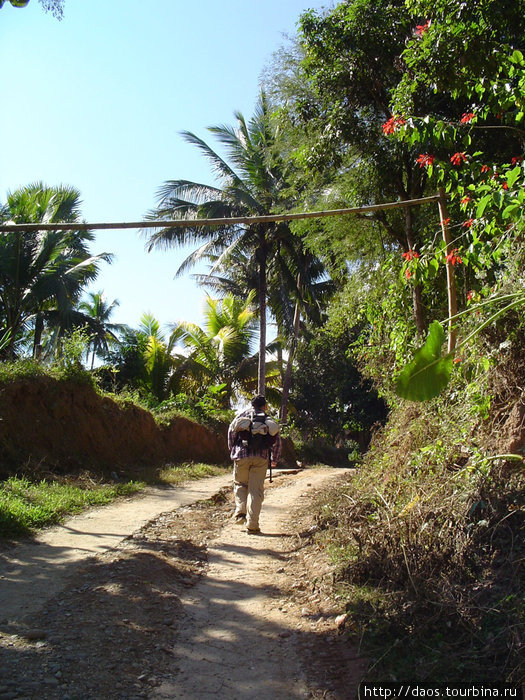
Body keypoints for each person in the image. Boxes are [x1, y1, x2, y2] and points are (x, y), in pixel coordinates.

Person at [227, 394, 281, 534]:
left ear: (252, 405)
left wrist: (233, 450)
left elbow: (231, 433)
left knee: (240, 484)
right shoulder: (268, 419)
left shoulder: (242, 416)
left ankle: (240, 512)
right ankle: (252, 524)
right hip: (261, 457)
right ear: (264, 406)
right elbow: (277, 441)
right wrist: (274, 459)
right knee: (255, 491)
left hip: (241, 455)